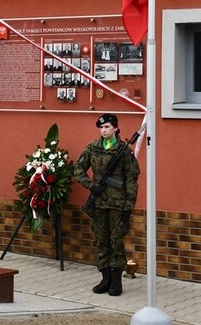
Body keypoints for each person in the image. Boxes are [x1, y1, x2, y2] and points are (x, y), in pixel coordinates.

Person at [74, 113, 140, 296]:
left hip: (118, 204)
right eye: (101, 127)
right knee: (101, 240)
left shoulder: (124, 151)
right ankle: (105, 278)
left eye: (107, 127)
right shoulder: (92, 148)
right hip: (98, 203)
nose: (104, 131)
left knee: (116, 241)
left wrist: (129, 205)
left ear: (116, 128)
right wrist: (90, 185)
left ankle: (116, 280)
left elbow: (131, 180)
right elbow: (77, 169)